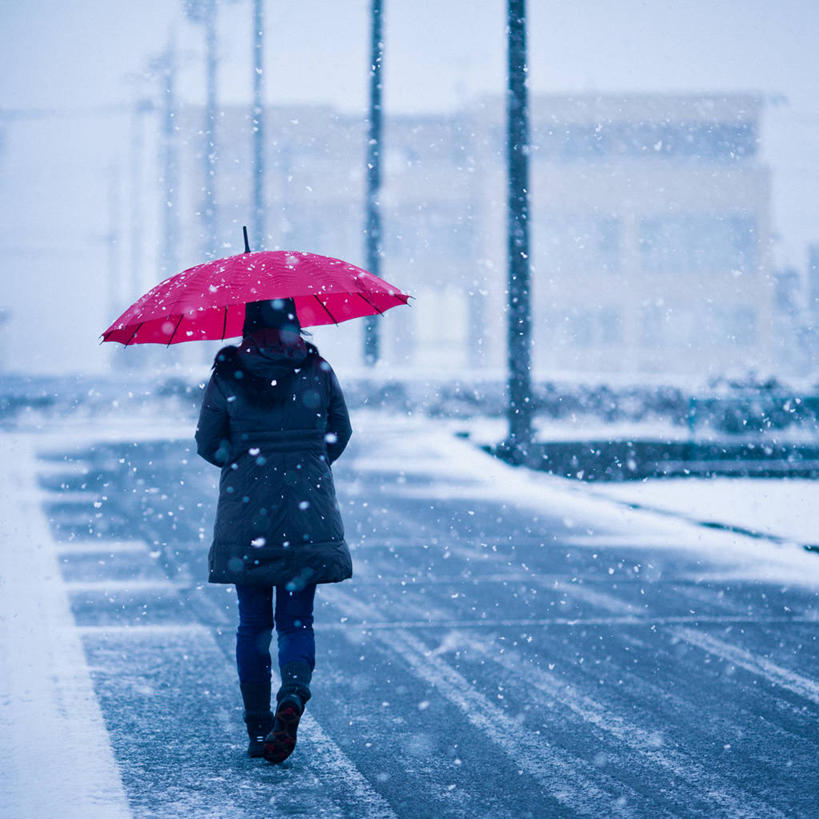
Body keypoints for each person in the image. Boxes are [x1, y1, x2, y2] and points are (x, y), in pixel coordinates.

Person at [195, 297, 352, 763]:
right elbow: (339, 433)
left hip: (247, 514)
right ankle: (294, 693)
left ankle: (259, 727)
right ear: (295, 323)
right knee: (297, 621)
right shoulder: (318, 370)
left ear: (247, 324)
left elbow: (207, 443)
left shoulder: (228, 373)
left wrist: (244, 464)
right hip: (309, 512)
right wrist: (308, 463)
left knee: (253, 624)